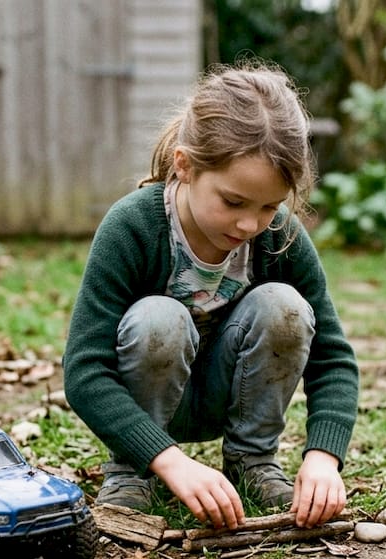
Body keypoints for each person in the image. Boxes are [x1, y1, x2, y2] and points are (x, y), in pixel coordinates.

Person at [62, 62, 359, 530]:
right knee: (159, 319)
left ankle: (253, 462)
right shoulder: (132, 228)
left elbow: (333, 358)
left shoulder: (279, 235)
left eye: (269, 206)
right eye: (234, 202)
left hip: (232, 391)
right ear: (185, 165)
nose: (249, 224)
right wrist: (168, 460)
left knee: (284, 306)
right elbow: (84, 372)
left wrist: (324, 457)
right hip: (151, 407)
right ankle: (132, 469)